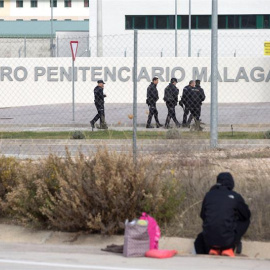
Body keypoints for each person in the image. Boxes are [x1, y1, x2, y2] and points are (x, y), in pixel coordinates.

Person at [194, 172, 251, 257]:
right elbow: (246, 215)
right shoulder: (235, 196)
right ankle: (228, 248)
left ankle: (214, 249)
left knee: (204, 233)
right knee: (246, 220)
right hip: (228, 241)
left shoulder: (208, 195)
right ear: (231, 183)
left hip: (209, 240)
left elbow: (203, 215)